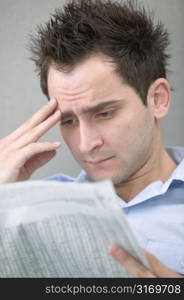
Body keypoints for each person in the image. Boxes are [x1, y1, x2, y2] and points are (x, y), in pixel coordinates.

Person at [0, 0, 183, 277]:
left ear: (157, 99)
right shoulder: (33, 209)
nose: (85, 145)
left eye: (105, 113)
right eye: (68, 120)